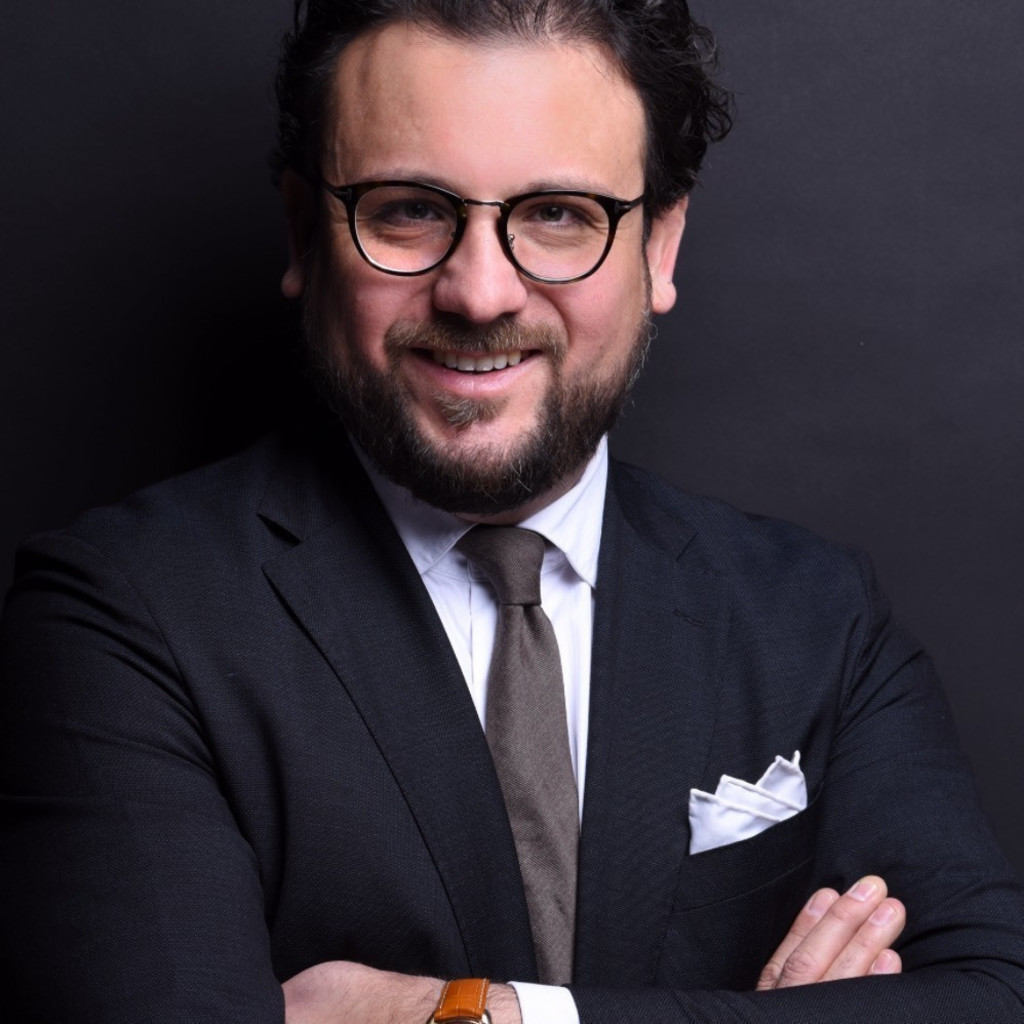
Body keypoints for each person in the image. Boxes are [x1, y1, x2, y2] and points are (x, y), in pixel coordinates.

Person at [2, 1, 1023, 1021]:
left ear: (660, 247)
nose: (481, 292)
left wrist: (475, 1014)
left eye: (558, 215)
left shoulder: (815, 618)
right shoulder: (122, 618)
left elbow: (992, 995)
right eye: (408, 209)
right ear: (305, 231)